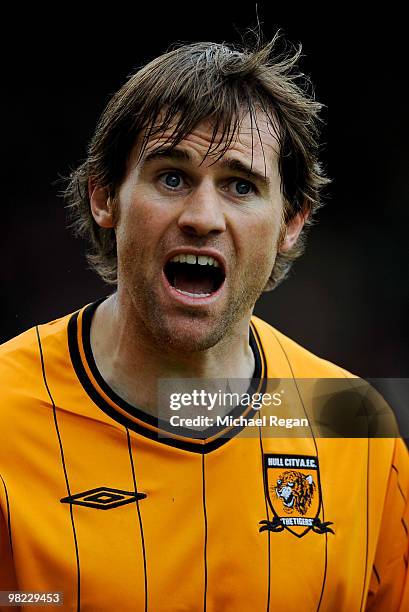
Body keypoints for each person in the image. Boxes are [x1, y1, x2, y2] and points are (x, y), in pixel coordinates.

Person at [0, 34, 408, 612]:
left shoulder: (355, 422)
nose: (203, 218)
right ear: (103, 197)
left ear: (291, 221)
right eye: (172, 177)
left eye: (241, 186)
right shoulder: (5, 411)